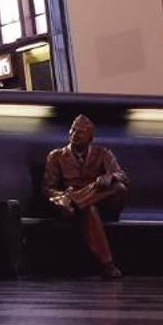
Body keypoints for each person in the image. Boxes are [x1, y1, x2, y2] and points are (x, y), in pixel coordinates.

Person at [42, 114, 128, 279]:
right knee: (89, 209)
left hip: (102, 204)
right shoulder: (56, 156)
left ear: (90, 137)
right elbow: (48, 189)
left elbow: (122, 175)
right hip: (74, 210)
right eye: (73, 130)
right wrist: (63, 195)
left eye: (80, 132)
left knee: (119, 187)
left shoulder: (103, 153)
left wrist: (110, 176)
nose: (75, 134)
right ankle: (107, 265)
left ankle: (76, 200)